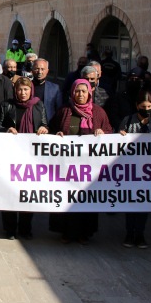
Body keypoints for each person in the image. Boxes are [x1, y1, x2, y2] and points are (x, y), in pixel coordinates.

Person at [51, 78, 113, 244]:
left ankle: (84, 233)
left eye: (83, 91)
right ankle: (66, 232)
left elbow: (109, 131)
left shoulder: (98, 112)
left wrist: (102, 133)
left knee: (86, 199)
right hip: (66, 167)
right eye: (77, 91)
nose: (80, 94)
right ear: (72, 93)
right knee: (67, 199)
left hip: (88, 169)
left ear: (89, 93)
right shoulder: (64, 111)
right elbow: (52, 129)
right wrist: (57, 135)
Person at [0, 77, 48, 239]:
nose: (23, 92)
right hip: (10, 156)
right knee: (9, 193)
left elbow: (45, 124)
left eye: (26, 89)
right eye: (20, 89)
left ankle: (25, 228)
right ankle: (10, 229)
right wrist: (6, 129)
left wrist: (44, 129)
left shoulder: (38, 105)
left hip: (30, 158)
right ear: (15, 90)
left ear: (31, 90)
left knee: (27, 195)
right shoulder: (6, 105)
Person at [118, 89, 151, 248]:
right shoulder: (127, 121)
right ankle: (129, 232)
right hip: (131, 171)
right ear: (136, 105)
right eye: (142, 106)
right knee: (131, 202)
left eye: (149, 106)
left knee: (143, 204)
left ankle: (140, 233)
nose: (146, 109)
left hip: (150, 172)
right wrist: (119, 135)